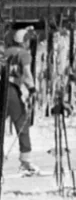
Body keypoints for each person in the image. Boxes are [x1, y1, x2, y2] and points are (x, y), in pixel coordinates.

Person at [5, 28, 38, 175]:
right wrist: (31, 88)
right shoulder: (24, 54)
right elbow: (26, 74)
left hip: (2, 87)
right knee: (21, 122)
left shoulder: (6, 52)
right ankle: (26, 160)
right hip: (11, 89)